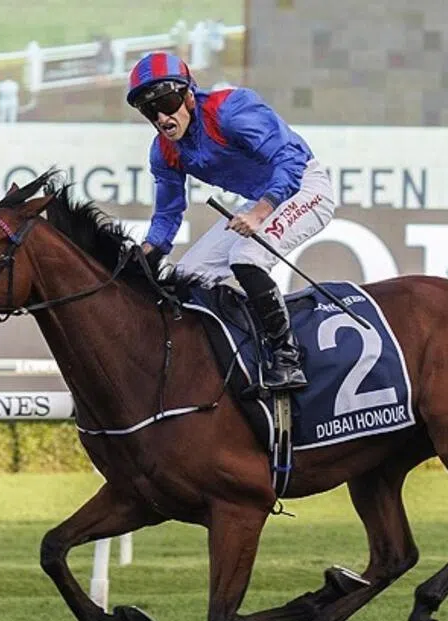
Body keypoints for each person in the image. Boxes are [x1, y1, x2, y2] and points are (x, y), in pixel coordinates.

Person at [126, 51, 335, 393]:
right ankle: (232, 356)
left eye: (166, 101)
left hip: (303, 186)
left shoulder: (230, 111)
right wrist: (146, 253)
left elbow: (290, 159)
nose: (162, 117)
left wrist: (261, 212)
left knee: (246, 257)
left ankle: (287, 357)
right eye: (150, 110)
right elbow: (167, 215)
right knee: (187, 278)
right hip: (262, 199)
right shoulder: (163, 151)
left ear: (189, 95)